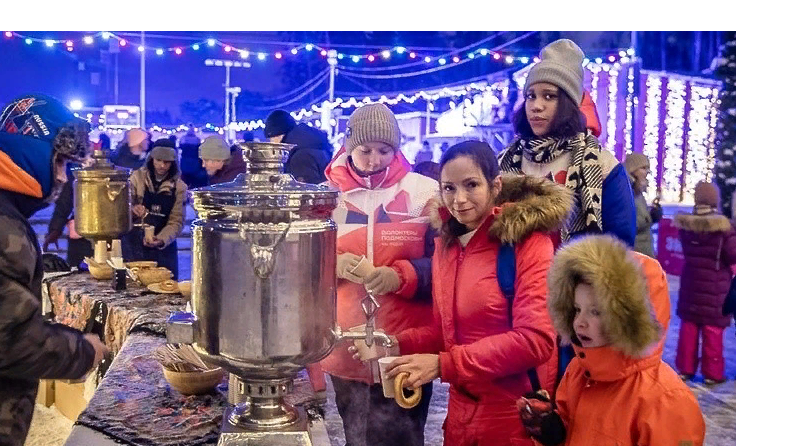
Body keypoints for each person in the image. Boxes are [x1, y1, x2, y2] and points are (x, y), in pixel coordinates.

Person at [374, 140, 570, 446]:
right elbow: (446, 332)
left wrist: (443, 365)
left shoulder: (526, 242)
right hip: (461, 415)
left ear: (495, 186)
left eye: (471, 185)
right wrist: (393, 344)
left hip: (513, 418)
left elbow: (536, 340)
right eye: (449, 188)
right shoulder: (448, 245)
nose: (459, 199)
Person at [320, 103, 438, 446]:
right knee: (356, 435)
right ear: (347, 146)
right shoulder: (327, 197)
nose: (374, 160)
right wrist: (331, 265)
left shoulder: (423, 193)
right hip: (346, 345)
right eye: (365, 150)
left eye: (384, 150)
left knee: (406, 435)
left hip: (405, 342)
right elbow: (299, 265)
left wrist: (401, 276)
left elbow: (445, 265)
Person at [518, 234, 705, 446]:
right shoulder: (579, 371)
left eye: (596, 312)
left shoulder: (666, 400)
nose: (579, 322)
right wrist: (551, 430)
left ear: (629, 318)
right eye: (577, 309)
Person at [0, 94, 109, 446]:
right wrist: (84, 351)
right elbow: (12, 341)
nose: (63, 178)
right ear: (29, 152)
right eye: (60, 163)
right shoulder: (5, 227)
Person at [498, 39, 635, 248]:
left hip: (575, 277)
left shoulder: (603, 164)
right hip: (512, 278)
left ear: (568, 104)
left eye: (549, 96)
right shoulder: (504, 160)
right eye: (530, 96)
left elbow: (620, 243)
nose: (536, 106)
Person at [673, 181, 736, 385]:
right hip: (716, 291)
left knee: (688, 330)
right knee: (713, 333)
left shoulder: (686, 226)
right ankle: (712, 373)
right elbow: (732, 254)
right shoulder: (724, 229)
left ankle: (685, 369)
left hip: (691, 287)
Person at [123, 138, 187, 279]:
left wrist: (161, 239)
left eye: (167, 162)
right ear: (151, 158)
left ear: (173, 163)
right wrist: (133, 209)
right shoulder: (136, 178)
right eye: (158, 160)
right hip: (135, 245)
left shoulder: (179, 187)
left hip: (163, 250)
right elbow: (122, 208)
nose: (162, 166)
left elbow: (177, 221)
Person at [264, 109, 333, 184]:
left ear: (278, 135)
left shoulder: (299, 156)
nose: (271, 142)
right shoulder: (314, 144)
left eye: (271, 138)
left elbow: (303, 191)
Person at [623, 152, 662, 257]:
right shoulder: (626, 191)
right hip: (635, 254)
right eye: (643, 168)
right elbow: (625, 224)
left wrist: (652, 213)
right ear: (633, 170)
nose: (647, 172)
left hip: (644, 252)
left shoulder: (638, 190)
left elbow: (640, 216)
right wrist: (650, 218)